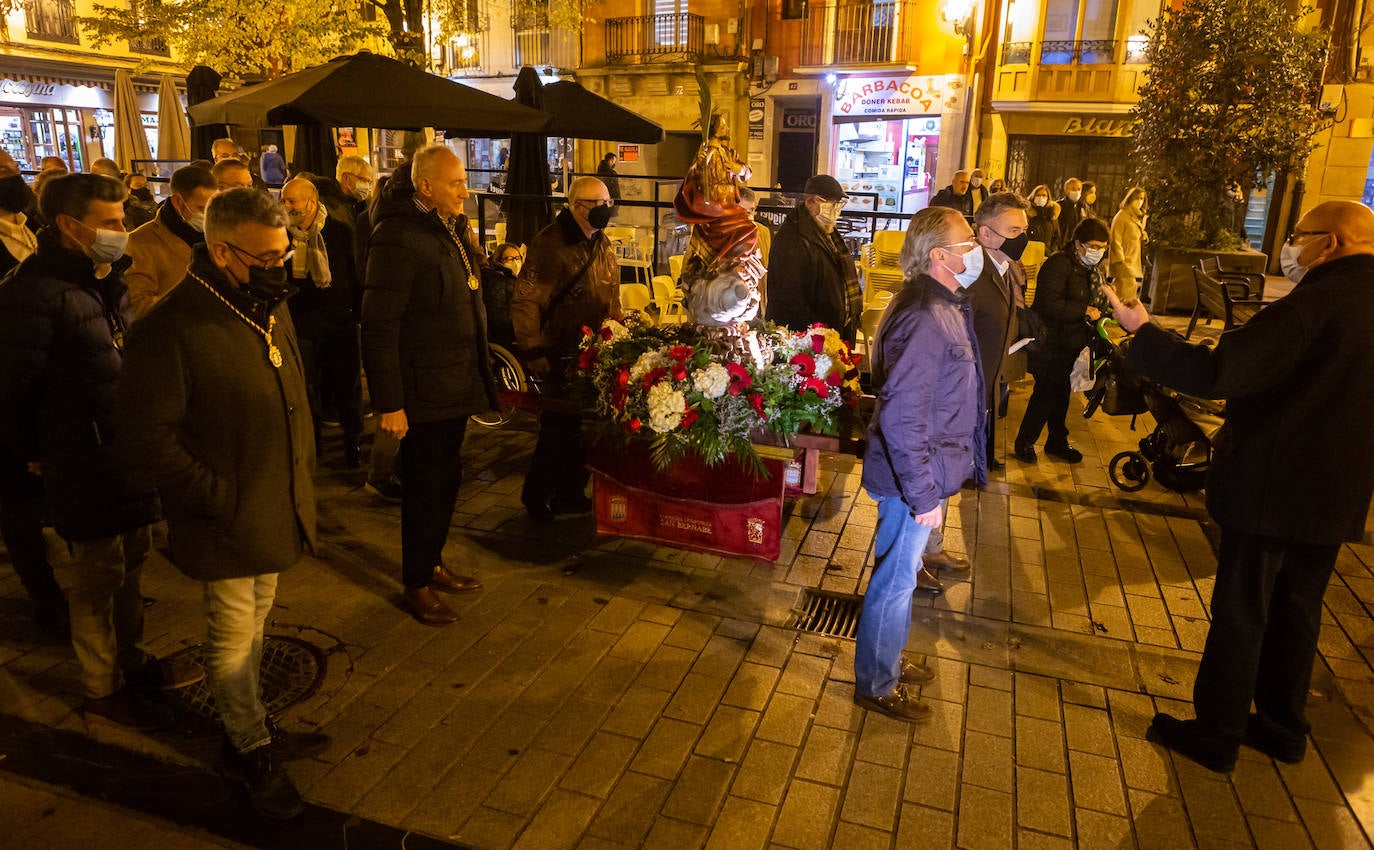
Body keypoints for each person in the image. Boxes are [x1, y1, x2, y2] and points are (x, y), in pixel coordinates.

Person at [1099, 200, 1374, 774]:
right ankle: (1282, 727)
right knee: (1298, 609)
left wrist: (1142, 331)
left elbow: (1218, 373)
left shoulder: (1313, 306)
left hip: (1275, 488)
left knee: (1244, 610)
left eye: (1300, 236)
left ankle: (1217, 732)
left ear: (1333, 242)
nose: (1291, 247)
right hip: (1338, 491)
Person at [116, 187, 328, 819]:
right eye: (264, 258)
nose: (278, 267)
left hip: (270, 498)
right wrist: (217, 496)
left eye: (283, 253)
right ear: (220, 250)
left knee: (257, 619)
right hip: (227, 512)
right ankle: (247, 746)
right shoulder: (172, 327)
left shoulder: (264, 304)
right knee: (233, 632)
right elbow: (147, 438)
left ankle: (252, 722)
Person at [0, 173, 202, 730]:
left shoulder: (105, 276)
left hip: (124, 451)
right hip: (79, 458)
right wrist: (29, 455)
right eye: (111, 223)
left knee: (130, 566)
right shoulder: (29, 296)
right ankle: (99, 687)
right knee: (95, 577)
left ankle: (128, 661)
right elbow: (10, 389)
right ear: (69, 226)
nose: (122, 233)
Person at [854, 206, 986, 723]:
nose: (974, 248)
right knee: (895, 580)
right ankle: (877, 684)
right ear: (940, 255)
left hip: (918, 470)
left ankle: (884, 658)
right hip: (913, 477)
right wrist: (925, 495)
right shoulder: (928, 317)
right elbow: (905, 416)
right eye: (967, 241)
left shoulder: (936, 302)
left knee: (900, 576)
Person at [361, 143, 496, 626]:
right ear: (426, 187)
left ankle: (434, 561)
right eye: (456, 183)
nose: (466, 190)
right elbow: (379, 326)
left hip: (454, 380)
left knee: (447, 477)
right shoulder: (398, 236)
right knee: (424, 485)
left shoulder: (448, 228)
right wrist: (390, 403)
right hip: (422, 387)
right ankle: (416, 581)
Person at [511, 177, 620, 523]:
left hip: (594, 352)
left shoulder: (601, 242)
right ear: (576, 206)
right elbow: (526, 301)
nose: (606, 207)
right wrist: (532, 350)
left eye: (608, 200)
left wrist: (616, 333)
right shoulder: (550, 245)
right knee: (557, 428)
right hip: (559, 350)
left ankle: (570, 492)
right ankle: (538, 494)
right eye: (597, 201)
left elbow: (611, 294)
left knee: (583, 427)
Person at [0, 150, 66, 637]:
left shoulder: (30, 226)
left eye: (11, 170)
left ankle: (74, 588)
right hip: (9, 384)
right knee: (17, 499)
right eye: (2, 174)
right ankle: (44, 596)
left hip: (48, 378)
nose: (12, 179)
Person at [280, 176, 364, 467]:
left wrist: (355, 313)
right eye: (284, 199)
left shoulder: (339, 232)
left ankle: (352, 438)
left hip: (339, 322)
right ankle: (312, 442)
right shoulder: (281, 235)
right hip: (300, 323)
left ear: (311, 202)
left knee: (346, 384)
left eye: (292, 200)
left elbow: (352, 274)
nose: (286, 206)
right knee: (305, 387)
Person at [1013, 217, 1107, 465]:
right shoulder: (1058, 264)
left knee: (1061, 392)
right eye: (1094, 245)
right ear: (1078, 243)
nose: (1098, 252)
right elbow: (1048, 304)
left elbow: (1097, 300)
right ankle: (1025, 442)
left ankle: (1056, 441)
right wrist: (1084, 310)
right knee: (1046, 392)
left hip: (1073, 341)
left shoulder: (1092, 270)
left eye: (1103, 247)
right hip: (1051, 340)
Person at [969, 192, 1029, 469]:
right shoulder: (971, 274)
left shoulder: (1004, 268)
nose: (1022, 238)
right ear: (987, 234)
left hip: (991, 375)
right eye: (1013, 230)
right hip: (970, 382)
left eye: (1024, 230)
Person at [767, 174, 862, 343]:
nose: (836, 209)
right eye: (832, 204)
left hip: (829, 334)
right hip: (809, 341)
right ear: (810, 202)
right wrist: (815, 337)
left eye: (839, 204)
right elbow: (789, 298)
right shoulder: (792, 238)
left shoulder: (826, 232)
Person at [125, 164, 216, 319]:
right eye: (202, 209)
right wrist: (201, 304)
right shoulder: (139, 242)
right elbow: (138, 307)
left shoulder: (217, 234)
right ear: (178, 202)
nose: (208, 216)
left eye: (212, 208)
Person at [1109, 187, 1148, 300]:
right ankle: (1125, 314)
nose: (1140, 201)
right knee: (1127, 289)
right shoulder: (1122, 216)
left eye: (1142, 198)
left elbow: (1132, 233)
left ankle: (1116, 311)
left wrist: (1143, 236)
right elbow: (1115, 239)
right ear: (1130, 198)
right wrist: (1121, 259)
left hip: (1131, 258)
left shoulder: (1135, 216)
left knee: (1120, 289)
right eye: (1137, 198)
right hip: (1124, 260)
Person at [738, 186, 771, 312]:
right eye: (742, 211)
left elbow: (766, 267)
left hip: (756, 301)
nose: (747, 216)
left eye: (751, 211)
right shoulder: (722, 234)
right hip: (730, 301)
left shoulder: (763, 233)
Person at [485, 241, 522, 345]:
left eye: (517, 258)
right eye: (509, 259)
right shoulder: (498, 281)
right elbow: (497, 315)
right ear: (499, 261)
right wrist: (522, 320)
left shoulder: (517, 280)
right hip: (507, 337)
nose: (515, 262)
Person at [1025, 184, 1060, 254]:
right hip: (1029, 253)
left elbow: (1057, 236)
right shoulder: (1027, 214)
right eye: (1038, 195)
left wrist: (1052, 251)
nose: (1041, 197)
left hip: (1047, 255)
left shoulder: (1052, 215)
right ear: (1033, 197)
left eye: (1044, 195)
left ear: (1048, 198)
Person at [1055, 178, 1084, 250]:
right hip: (1063, 244)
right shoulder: (1059, 206)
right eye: (1073, 189)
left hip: (1078, 244)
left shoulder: (1082, 206)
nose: (1077, 191)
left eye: (1079, 189)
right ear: (1066, 190)